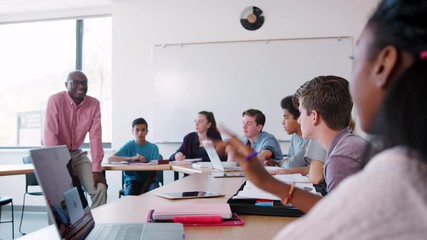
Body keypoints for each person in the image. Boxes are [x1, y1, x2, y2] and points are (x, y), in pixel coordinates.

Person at [224, 0, 427, 238]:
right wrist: (270, 185)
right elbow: (339, 211)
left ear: (384, 65)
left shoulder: (346, 157)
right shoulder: (353, 147)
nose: (298, 119)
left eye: (355, 58)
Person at [44, 70, 107, 208]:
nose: (81, 86)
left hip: (76, 153)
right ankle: (58, 230)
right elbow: (50, 136)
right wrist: (63, 163)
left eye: (84, 83)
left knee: (100, 188)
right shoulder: (55, 101)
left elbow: (96, 137)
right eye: (76, 83)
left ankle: (98, 225)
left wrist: (96, 170)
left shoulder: (94, 104)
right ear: (66, 85)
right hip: (55, 154)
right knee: (62, 196)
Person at [108, 118, 161, 195]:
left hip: (150, 181)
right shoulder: (129, 145)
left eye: (143, 130)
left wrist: (143, 190)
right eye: (137, 130)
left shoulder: (153, 147)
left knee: (154, 194)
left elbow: (154, 171)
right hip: (132, 180)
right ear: (132, 131)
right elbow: (110, 159)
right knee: (130, 197)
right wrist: (132, 158)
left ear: (147, 132)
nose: (140, 133)